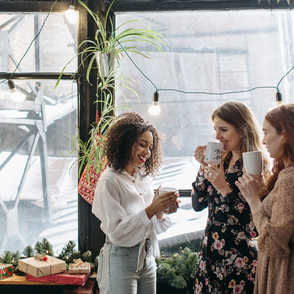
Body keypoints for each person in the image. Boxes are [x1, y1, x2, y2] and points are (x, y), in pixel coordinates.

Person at [92, 112, 179, 294]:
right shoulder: (109, 181)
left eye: (150, 147)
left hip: (147, 258)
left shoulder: (143, 178)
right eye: (142, 144)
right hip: (119, 258)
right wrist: (151, 209)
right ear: (125, 142)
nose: (147, 152)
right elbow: (117, 234)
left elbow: (151, 226)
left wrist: (161, 209)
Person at [192, 101, 269, 294]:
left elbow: (253, 229)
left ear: (243, 130)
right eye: (215, 129)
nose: (217, 136)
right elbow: (197, 204)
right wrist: (203, 167)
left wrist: (225, 189)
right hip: (210, 257)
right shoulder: (221, 162)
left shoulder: (254, 166)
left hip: (239, 262)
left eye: (223, 130)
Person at [235, 103, 294, 294]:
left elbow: (273, 245)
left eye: (266, 132)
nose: (264, 141)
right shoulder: (285, 174)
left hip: (283, 275)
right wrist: (258, 192)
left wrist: (253, 200)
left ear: (284, 134)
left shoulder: (289, 178)